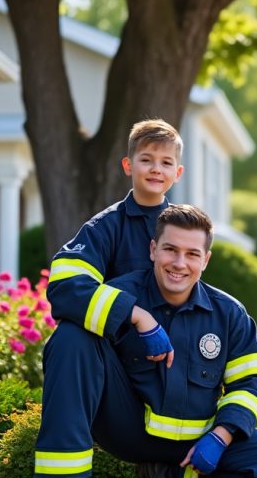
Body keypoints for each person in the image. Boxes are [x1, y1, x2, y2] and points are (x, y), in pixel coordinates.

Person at [37, 204, 257, 478]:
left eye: (192, 254)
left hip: (198, 438)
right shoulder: (119, 294)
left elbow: (253, 382)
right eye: (170, 249)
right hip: (130, 431)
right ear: (153, 249)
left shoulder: (229, 314)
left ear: (206, 260)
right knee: (70, 336)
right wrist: (134, 315)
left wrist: (221, 437)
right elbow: (66, 297)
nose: (180, 263)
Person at [46, 118, 184, 368]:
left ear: (178, 172)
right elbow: (65, 286)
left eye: (166, 162)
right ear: (128, 165)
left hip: (170, 360)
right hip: (114, 361)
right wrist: (136, 315)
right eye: (146, 160)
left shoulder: (187, 229)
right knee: (68, 335)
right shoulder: (103, 228)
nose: (156, 169)